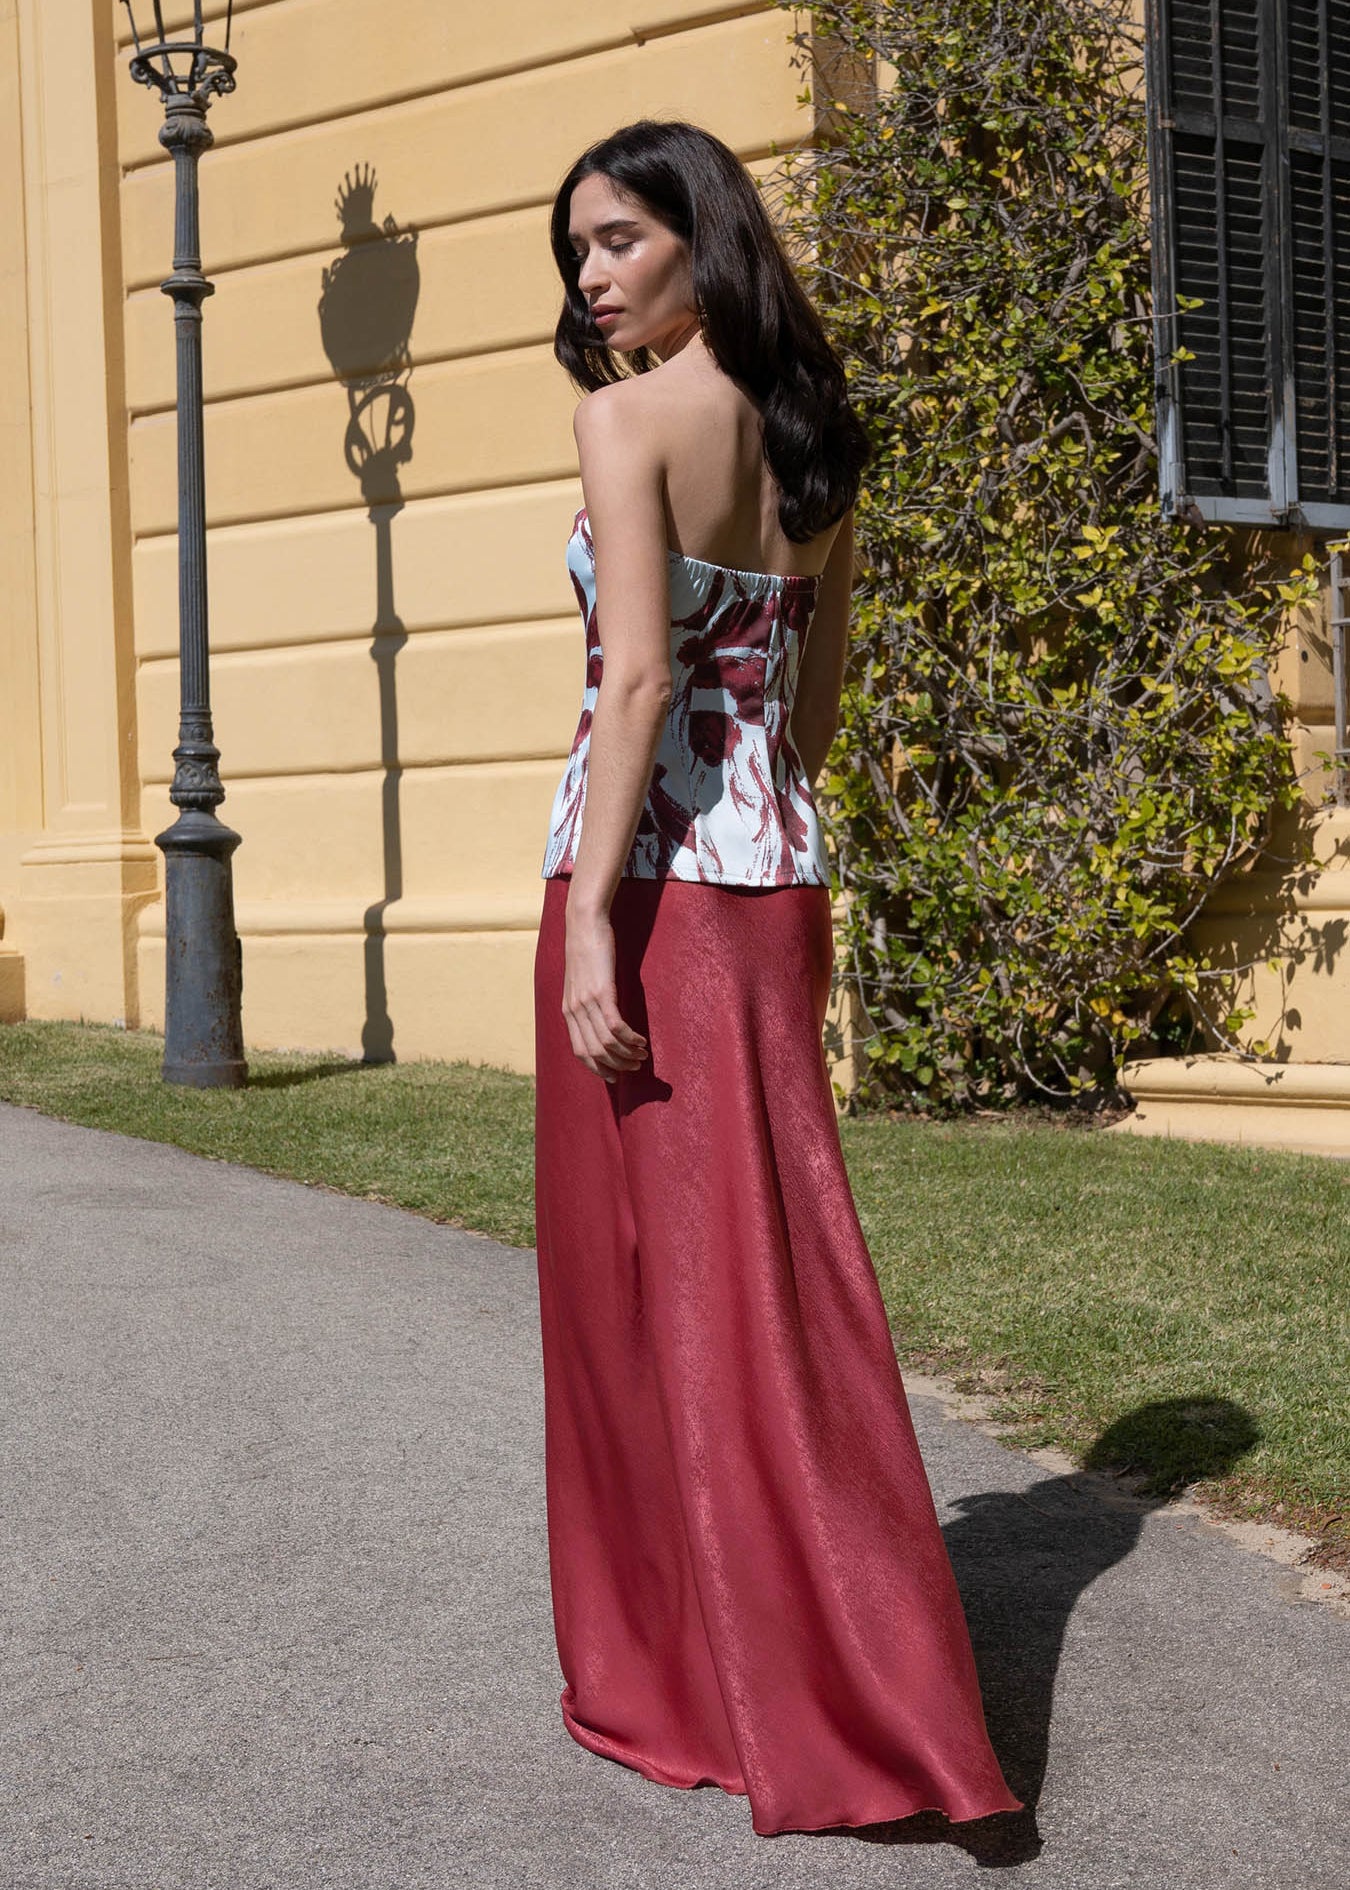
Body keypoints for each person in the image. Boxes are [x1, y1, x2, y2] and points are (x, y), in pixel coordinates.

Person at [531, 118, 1023, 1839]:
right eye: (577, 252)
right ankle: (832, 1669)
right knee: (771, 1270)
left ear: (699, 235)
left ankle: (684, 1680)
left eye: (616, 240)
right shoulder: (815, 435)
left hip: (649, 884)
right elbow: (810, 707)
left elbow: (635, 682)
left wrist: (590, 921)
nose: (591, 278)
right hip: (772, 876)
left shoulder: (623, 423)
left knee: (638, 1287)